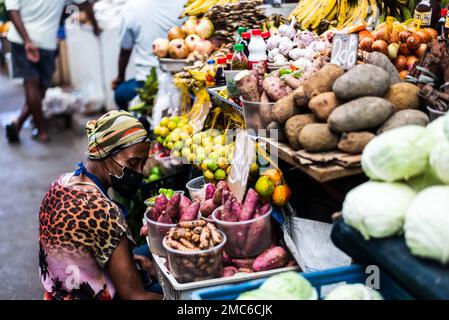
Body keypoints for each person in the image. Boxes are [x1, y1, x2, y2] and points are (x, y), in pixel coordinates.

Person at [39, 110, 162, 300]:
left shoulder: (61, 182)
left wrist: (133, 260)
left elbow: (80, 248)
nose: (140, 172)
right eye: (133, 162)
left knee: (145, 252)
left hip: (58, 292)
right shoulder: (103, 212)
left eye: (143, 163)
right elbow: (135, 297)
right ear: (104, 153)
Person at [5, 0, 100, 143]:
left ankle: (38, 130)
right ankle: (24, 125)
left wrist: (27, 41)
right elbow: (84, 3)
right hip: (46, 41)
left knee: (31, 85)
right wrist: (96, 26)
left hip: (21, 41)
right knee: (40, 88)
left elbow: (12, 12)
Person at [112, 0, 184, 110]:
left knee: (119, 94)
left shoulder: (132, 7)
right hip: (183, 79)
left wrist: (119, 78)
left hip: (145, 83)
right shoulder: (185, 4)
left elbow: (125, 51)